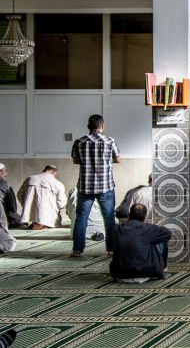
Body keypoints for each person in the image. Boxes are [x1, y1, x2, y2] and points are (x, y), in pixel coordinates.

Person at [70, 114, 121, 258]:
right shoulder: (110, 141)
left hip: (86, 186)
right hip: (105, 186)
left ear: (88, 127)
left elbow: (75, 161)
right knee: (109, 218)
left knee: (81, 218)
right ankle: (111, 249)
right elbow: (118, 159)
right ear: (102, 126)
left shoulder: (79, 142)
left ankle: (77, 250)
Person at [109, 203, 171, 283]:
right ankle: (162, 268)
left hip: (120, 274)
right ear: (144, 217)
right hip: (145, 272)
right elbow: (167, 233)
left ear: (129, 214)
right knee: (160, 239)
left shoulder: (117, 228)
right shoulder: (147, 228)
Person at [17, 165, 67, 230]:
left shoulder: (30, 179)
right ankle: (42, 224)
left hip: (31, 215)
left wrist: (27, 205)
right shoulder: (57, 183)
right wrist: (55, 208)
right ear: (54, 172)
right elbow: (61, 202)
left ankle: (37, 224)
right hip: (49, 217)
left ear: (44, 170)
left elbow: (20, 195)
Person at [0, 163, 22, 228]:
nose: (6, 174)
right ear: (1, 172)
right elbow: (12, 207)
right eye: (5, 171)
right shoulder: (5, 185)